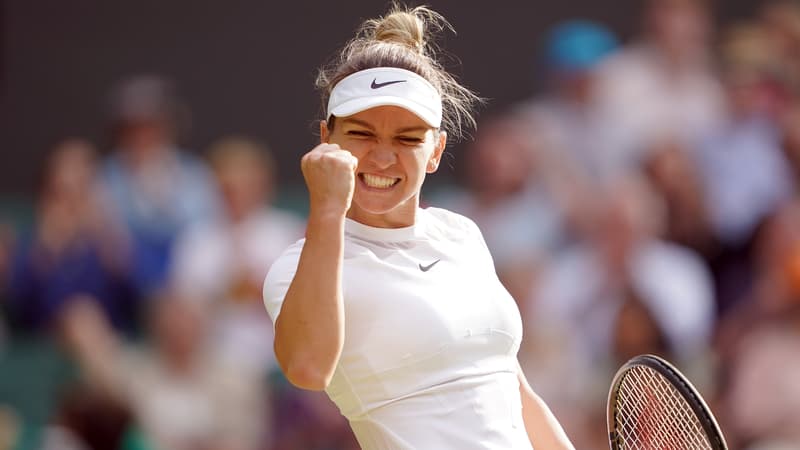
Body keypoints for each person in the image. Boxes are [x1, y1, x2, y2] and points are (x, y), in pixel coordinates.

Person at [262, 5, 574, 449]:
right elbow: (308, 368)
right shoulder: (297, 267)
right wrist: (328, 209)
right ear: (326, 139)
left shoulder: (462, 234)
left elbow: (517, 394)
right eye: (362, 134)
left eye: (407, 138)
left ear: (436, 151)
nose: (382, 157)